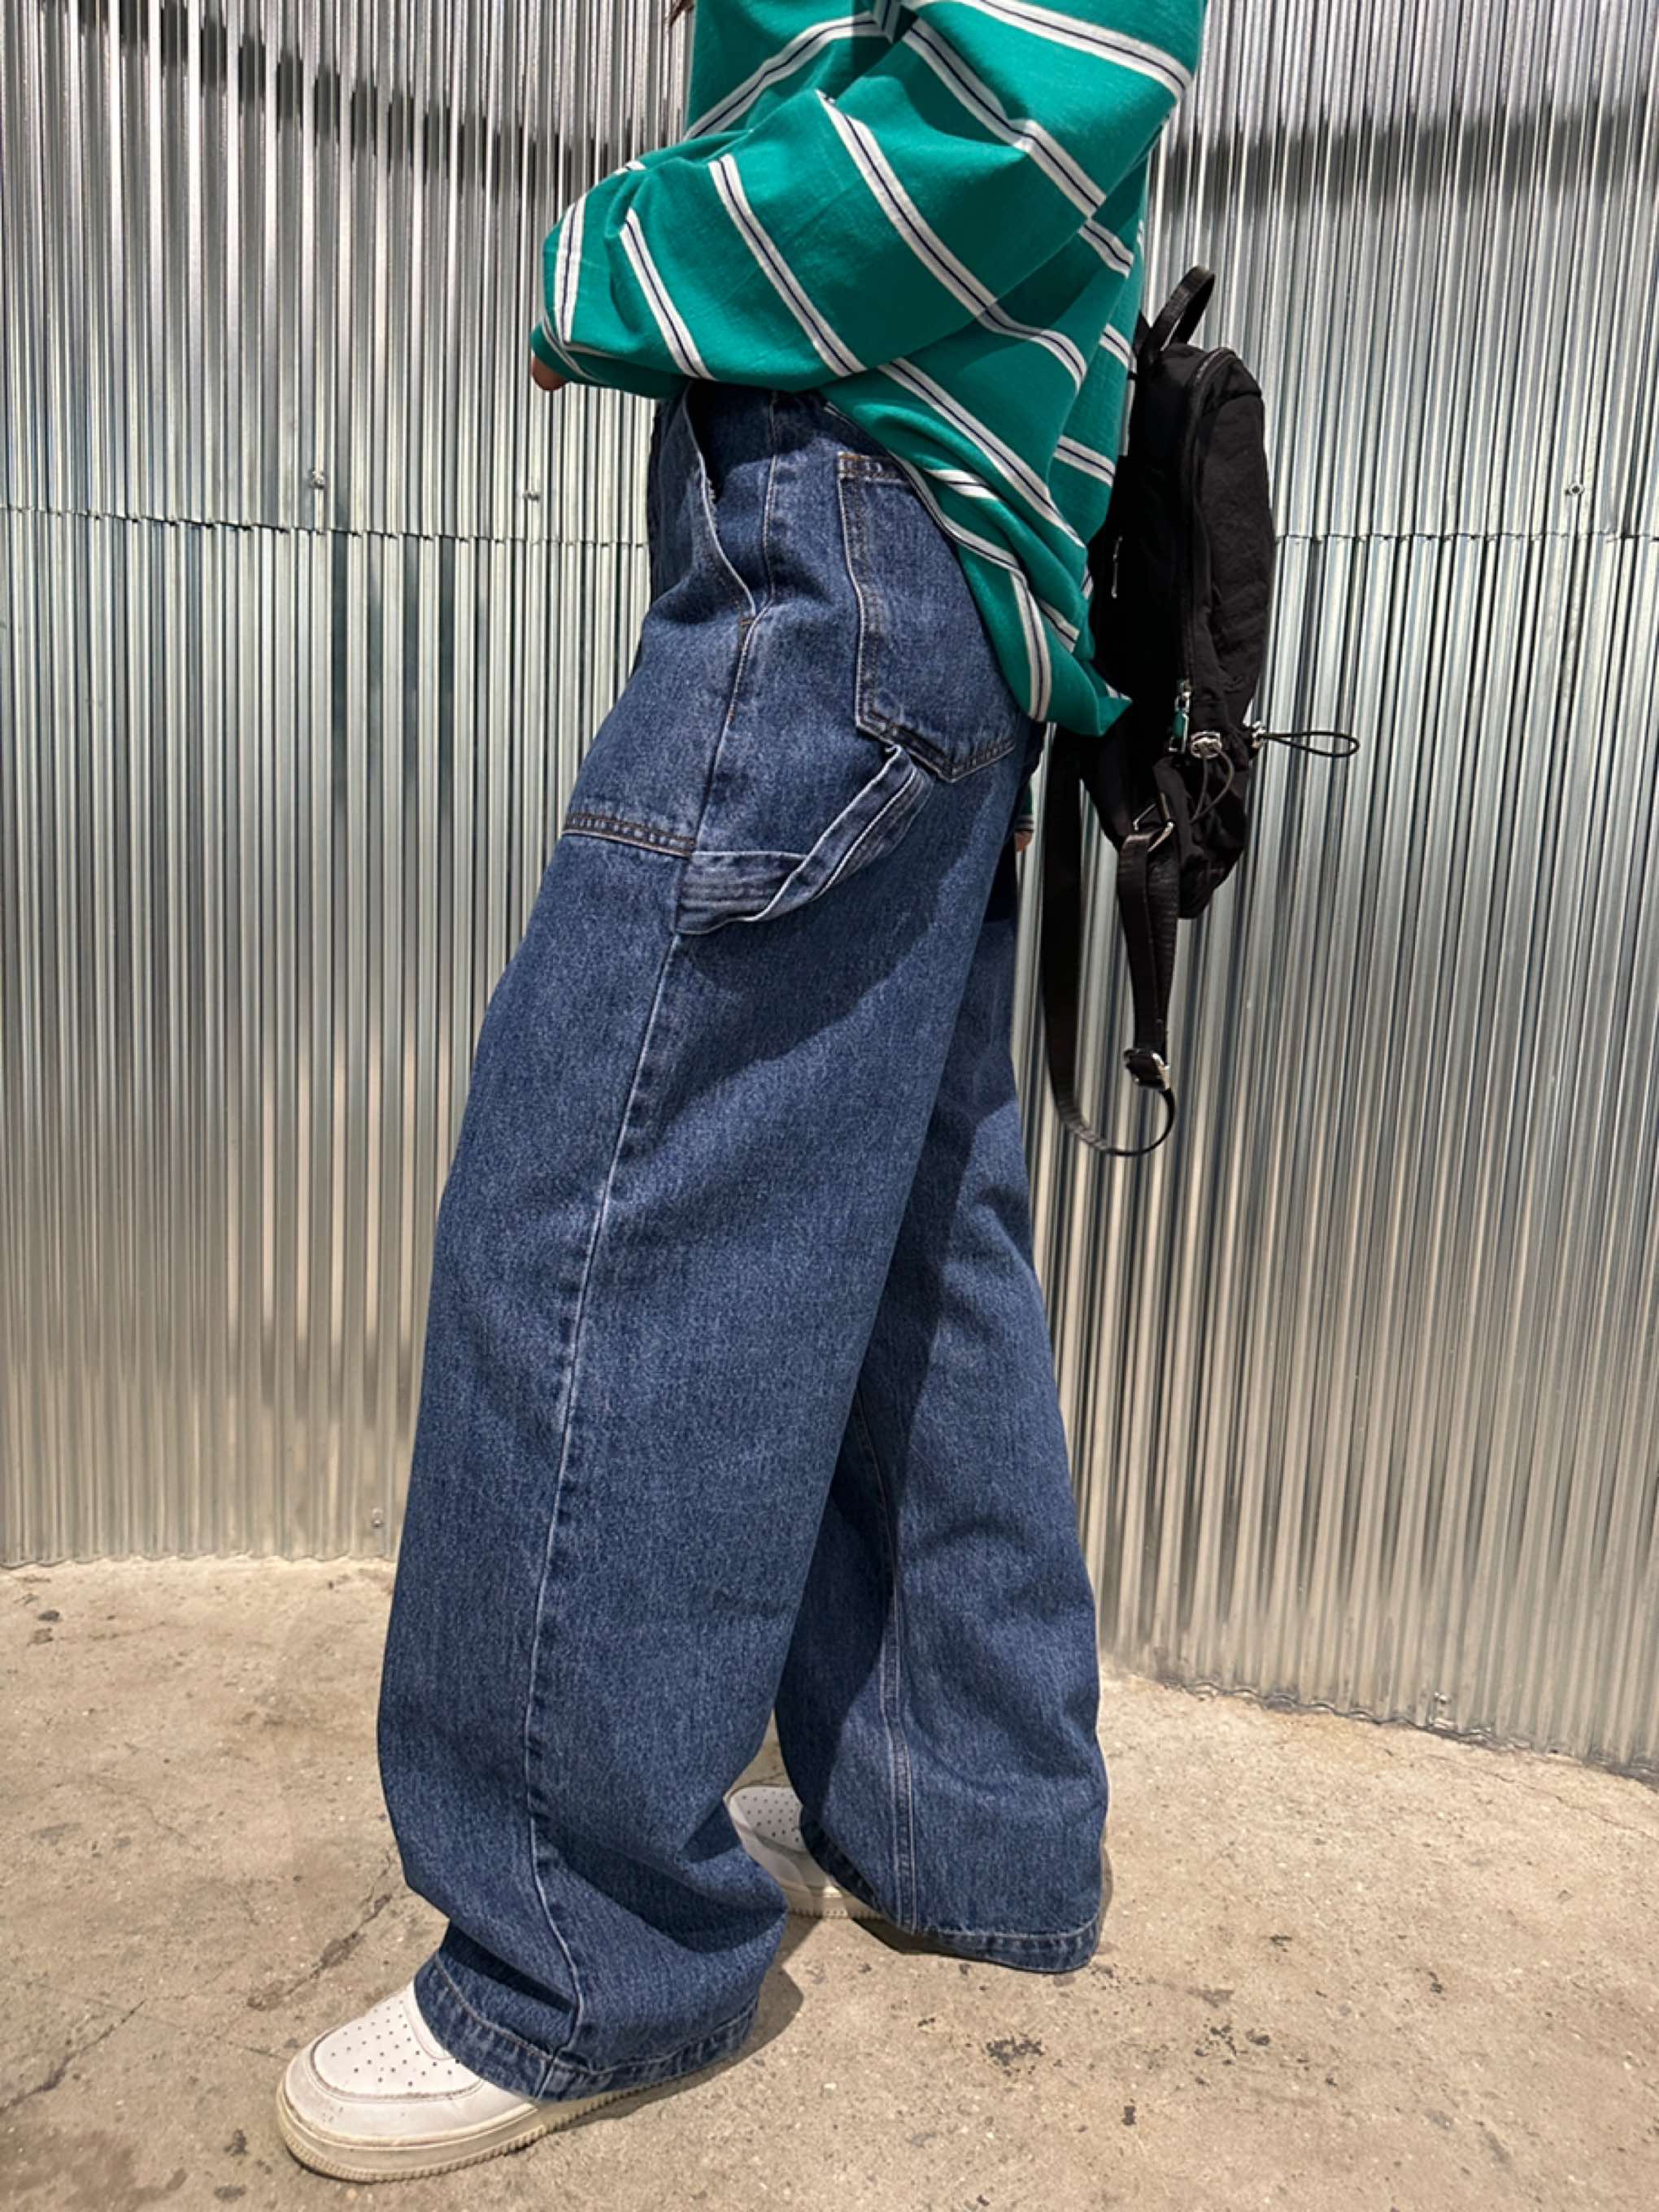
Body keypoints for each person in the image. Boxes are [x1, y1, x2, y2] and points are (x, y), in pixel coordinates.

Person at [276, 0, 1207, 2180]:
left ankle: (576, 1947)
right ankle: (968, 1822)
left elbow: (1042, 92)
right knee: (909, 1238)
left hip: (854, 521)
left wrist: (620, 258)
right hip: (949, 562)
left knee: (604, 1200)